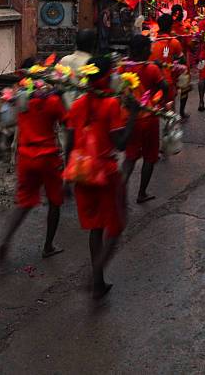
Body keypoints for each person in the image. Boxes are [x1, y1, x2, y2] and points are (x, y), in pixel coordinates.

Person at [66, 55, 139, 299]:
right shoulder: (110, 105)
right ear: (108, 76)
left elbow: (68, 142)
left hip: (80, 173)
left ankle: (98, 282)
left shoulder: (77, 104)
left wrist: (67, 177)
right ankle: (94, 274)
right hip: (105, 174)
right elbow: (120, 143)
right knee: (117, 227)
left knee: (95, 228)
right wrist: (134, 116)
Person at [0, 72, 67, 265]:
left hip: (25, 158)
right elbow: (67, 122)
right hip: (48, 159)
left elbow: (8, 121)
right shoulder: (52, 101)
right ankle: (48, 246)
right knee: (55, 202)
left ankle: (5, 240)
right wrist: (59, 94)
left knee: (24, 202)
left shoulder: (19, 101)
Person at [120, 35, 168, 203]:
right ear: (142, 51)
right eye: (148, 49)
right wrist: (159, 102)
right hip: (148, 118)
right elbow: (165, 87)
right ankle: (141, 193)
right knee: (149, 156)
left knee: (130, 156)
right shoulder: (151, 69)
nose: (150, 51)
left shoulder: (122, 68)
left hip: (128, 118)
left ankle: (120, 192)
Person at [150, 13, 186, 107]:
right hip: (167, 81)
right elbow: (183, 61)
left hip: (153, 82)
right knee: (170, 111)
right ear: (171, 26)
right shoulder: (174, 42)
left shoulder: (151, 43)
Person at [170, 5, 192, 119]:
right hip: (182, 62)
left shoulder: (169, 27)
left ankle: (173, 114)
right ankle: (181, 112)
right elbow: (191, 44)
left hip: (170, 62)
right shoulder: (184, 28)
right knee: (184, 88)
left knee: (172, 88)